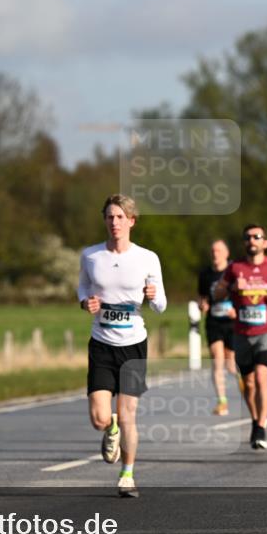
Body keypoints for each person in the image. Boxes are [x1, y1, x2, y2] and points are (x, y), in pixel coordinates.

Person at [78, 194, 166, 498]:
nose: (114, 222)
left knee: (128, 413)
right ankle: (110, 429)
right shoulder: (91, 256)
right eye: (109, 217)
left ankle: (127, 474)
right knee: (100, 418)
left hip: (133, 345)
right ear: (104, 220)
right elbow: (83, 288)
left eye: (120, 217)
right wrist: (84, 302)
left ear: (131, 220)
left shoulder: (147, 258)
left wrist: (153, 296)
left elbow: (161, 306)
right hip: (102, 344)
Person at [213, 224, 267, 450]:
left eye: (257, 237)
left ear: (265, 242)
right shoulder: (235, 267)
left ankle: (260, 427)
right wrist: (230, 289)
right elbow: (217, 292)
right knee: (248, 384)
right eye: (248, 237)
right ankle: (255, 419)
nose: (252, 240)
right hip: (242, 333)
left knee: (260, 377)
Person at [197, 239, 238, 416]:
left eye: (219, 251)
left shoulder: (234, 271)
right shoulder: (205, 274)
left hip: (232, 322)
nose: (215, 254)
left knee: (231, 364)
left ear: (226, 253)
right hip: (214, 322)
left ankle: (244, 382)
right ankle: (222, 401)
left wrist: (236, 310)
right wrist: (202, 305)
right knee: (217, 359)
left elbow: (243, 294)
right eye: (213, 251)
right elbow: (201, 297)